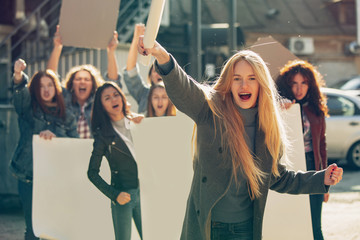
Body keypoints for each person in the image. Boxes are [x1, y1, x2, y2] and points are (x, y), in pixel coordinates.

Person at [137, 38, 343, 240]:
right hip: (208, 228)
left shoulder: (268, 127)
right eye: (237, 78)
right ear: (229, 82)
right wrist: (161, 55)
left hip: (245, 230)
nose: (244, 84)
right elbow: (185, 89)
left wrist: (320, 179)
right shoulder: (210, 110)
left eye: (252, 78)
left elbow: (277, 178)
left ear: (261, 83)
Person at [10, 59, 78, 240]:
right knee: (33, 229)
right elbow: (19, 94)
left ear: (56, 87)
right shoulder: (28, 109)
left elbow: (75, 143)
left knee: (55, 229)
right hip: (28, 177)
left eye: (50, 85)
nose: (46, 90)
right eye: (41, 86)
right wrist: (18, 75)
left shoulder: (67, 114)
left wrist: (57, 139)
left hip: (57, 179)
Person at [276, 60, 329, 240]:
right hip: (290, 169)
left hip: (313, 167)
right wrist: (279, 108)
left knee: (315, 224)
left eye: (304, 83)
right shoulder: (281, 107)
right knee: (293, 221)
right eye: (294, 83)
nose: (299, 89)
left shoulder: (316, 109)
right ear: (286, 85)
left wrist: (325, 183)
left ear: (310, 85)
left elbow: (322, 145)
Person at [87, 82, 143, 240]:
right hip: (123, 196)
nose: (113, 100)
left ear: (123, 97)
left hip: (146, 192)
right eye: (107, 98)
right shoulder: (102, 135)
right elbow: (92, 173)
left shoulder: (137, 122)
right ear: (102, 106)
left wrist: (144, 122)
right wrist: (114, 194)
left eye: (116, 95)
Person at [47, 25, 122, 138]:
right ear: (72, 84)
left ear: (93, 85)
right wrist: (57, 47)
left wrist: (111, 52)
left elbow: (113, 82)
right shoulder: (65, 99)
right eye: (78, 79)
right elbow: (50, 80)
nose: (82, 82)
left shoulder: (99, 101)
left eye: (87, 79)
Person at [123, 23, 163, 114]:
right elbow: (130, 72)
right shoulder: (144, 94)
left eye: (162, 71)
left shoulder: (176, 95)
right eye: (155, 71)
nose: (159, 74)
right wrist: (137, 37)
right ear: (150, 76)